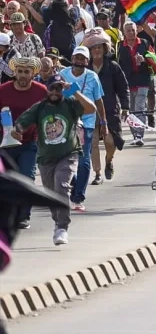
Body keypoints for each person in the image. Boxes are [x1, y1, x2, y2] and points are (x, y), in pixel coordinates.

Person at [11, 74, 97, 245]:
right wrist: (16, 131)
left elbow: (91, 108)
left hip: (68, 154)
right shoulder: (40, 108)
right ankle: (58, 223)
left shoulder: (70, 104)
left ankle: (63, 228)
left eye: (59, 88)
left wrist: (74, 91)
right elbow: (21, 124)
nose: (55, 92)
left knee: (62, 185)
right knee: (51, 194)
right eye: (52, 88)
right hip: (46, 159)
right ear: (47, 89)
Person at [0, 56, 48, 229]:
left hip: (30, 143)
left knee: (27, 177)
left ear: (33, 73)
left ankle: (23, 216)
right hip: (5, 144)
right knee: (7, 180)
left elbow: (46, 115)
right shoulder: (3, 90)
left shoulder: (41, 91)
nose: (22, 75)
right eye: (19, 71)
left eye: (26, 72)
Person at [59, 46, 105, 211]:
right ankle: (73, 186)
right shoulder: (62, 75)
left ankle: (78, 197)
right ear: (72, 59)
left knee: (84, 159)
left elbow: (99, 102)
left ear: (87, 61)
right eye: (76, 58)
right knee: (64, 158)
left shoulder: (92, 77)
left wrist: (104, 123)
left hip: (86, 124)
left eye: (82, 59)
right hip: (65, 123)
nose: (79, 61)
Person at [84, 29, 129, 184]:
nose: (96, 50)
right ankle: (97, 174)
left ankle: (109, 161)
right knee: (93, 143)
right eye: (93, 47)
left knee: (111, 142)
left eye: (99, 47)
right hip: (89, 112)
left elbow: (123, 88)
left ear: (105, 48)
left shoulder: (113, 67)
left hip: (110, 110)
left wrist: (126, 107)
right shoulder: (85, 68)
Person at [118, 22, 153, 146]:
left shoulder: (144, 43)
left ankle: (139, 135)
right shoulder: (120, 46)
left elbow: (154, 60)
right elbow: (118, 64)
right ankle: (135, 134)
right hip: (127, 81)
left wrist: (144, 60)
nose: (131, 33)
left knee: (140, 107)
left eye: (133, 30)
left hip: (143, 80)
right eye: (128, 31)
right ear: (124, 33)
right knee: (131, 109)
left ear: (136, 30)